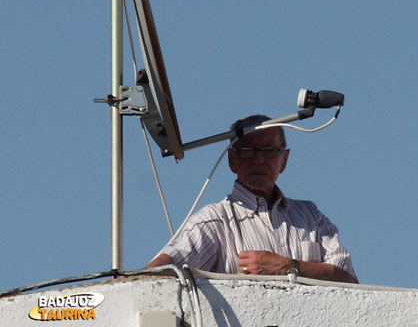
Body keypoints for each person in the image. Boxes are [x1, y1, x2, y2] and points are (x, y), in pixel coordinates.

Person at [146, 115, 357, 283]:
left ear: (284, 160)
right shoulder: (215, 220)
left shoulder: (310, 216)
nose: (258, 159)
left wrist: (289, 267)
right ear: (232, 160)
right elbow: (166, 267)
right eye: (247, 150)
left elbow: (348, 279)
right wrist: (127, 280)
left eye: (268, 150)